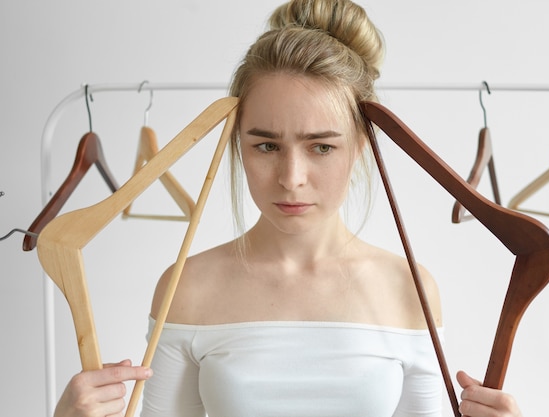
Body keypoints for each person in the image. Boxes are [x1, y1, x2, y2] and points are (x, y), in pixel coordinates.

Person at [54, 1, 523, 416]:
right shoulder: (188, 285)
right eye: (265, 146)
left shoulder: (409, 287)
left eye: (320, 147)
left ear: (360, 144)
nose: (291, 177)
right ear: (237, 142)